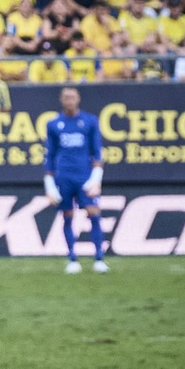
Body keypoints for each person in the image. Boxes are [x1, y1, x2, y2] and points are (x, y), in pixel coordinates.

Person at [44, 87, 109, 274]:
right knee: (67, 216)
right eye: (66, 97)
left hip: (85, 176)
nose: (69, 100)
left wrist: (96, 178)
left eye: (72, 97)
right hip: (64, 176)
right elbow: (50, 154)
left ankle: (99, 258)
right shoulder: (54, 124)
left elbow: (97, 151)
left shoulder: (89, 121)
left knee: (94, 213)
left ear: (78, 99)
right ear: (61, 100)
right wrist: (49, 184)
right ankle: (72, 257)